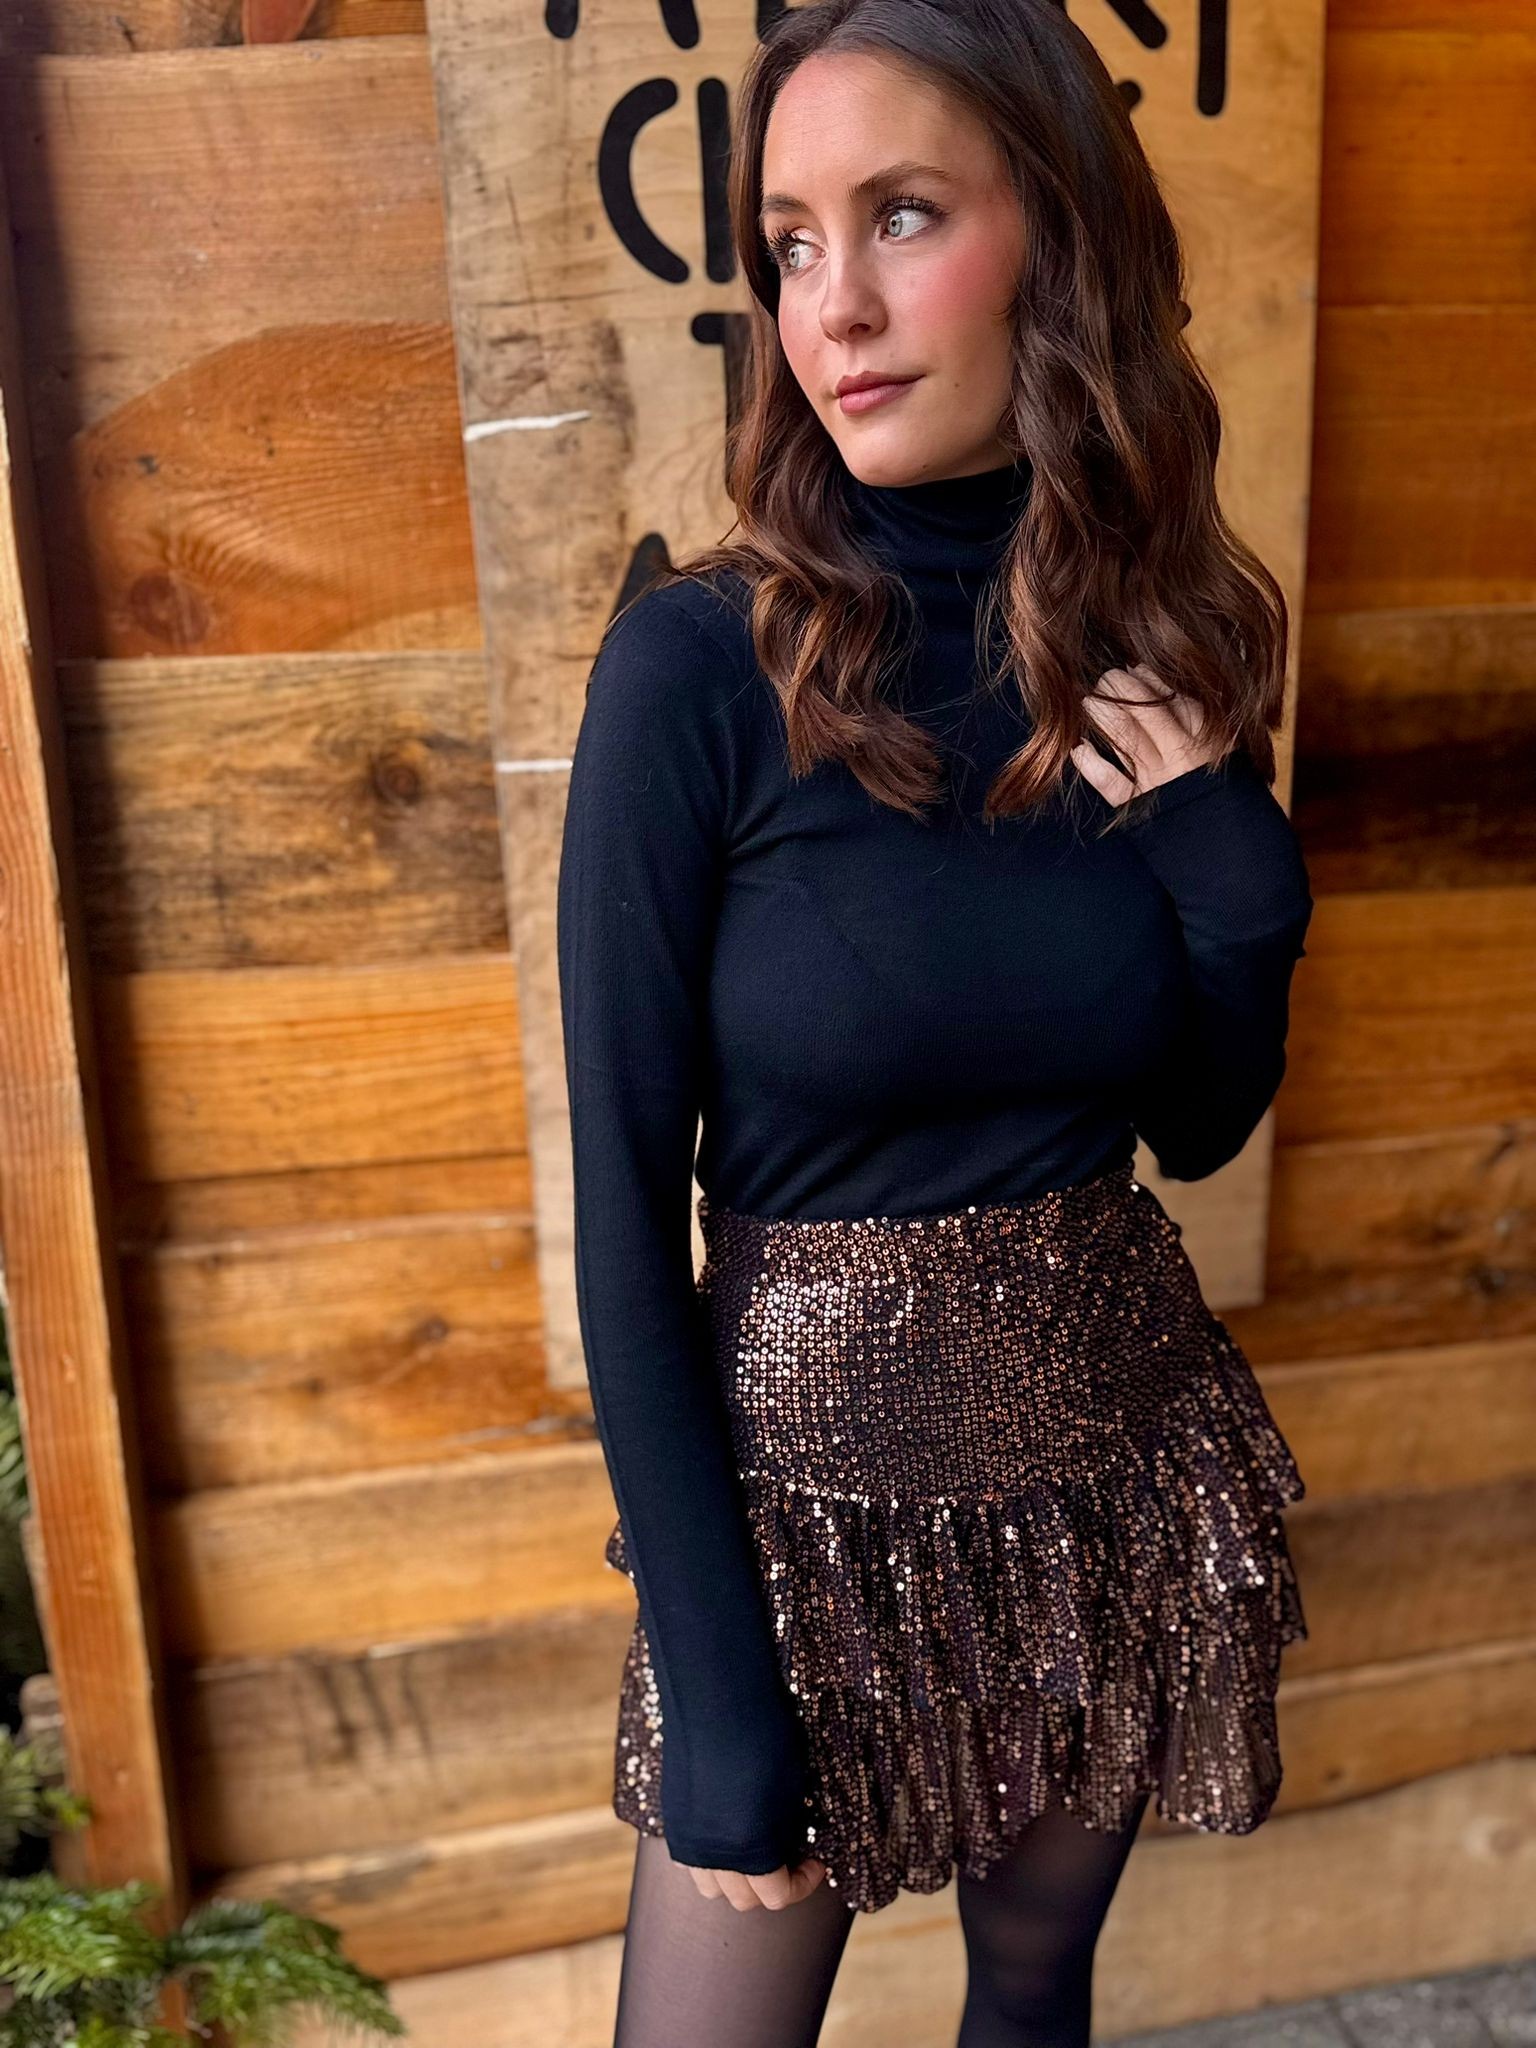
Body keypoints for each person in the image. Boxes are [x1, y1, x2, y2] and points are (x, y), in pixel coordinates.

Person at [555, 2, 1314, 2042]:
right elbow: (624, 1220)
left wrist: (1243, 888)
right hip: (793, 1525)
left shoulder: (1152, 653)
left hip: (1101, 1469)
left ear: (1057, 235)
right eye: (791, 242)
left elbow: (1198, 1123)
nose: (835, 306)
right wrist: (719, 1691)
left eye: (903, 216)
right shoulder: (698, 671)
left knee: (1035, 1992)